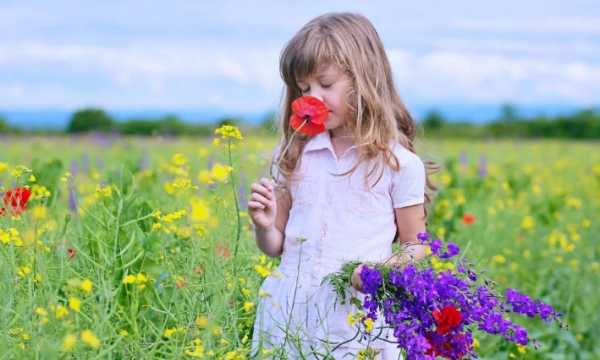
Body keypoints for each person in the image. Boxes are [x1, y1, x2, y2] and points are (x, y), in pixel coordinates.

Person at [248, 12, 439, 360]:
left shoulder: (398, 163)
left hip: (357, 315)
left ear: (365, 80)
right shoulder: (293, 154)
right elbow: (275, 247)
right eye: (305, 89)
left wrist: (377, 272)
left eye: (326, 83)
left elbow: (416, 246)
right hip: (288, 307)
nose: (314, 97)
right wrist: (263, 226)